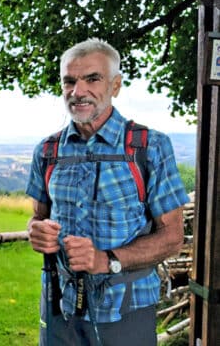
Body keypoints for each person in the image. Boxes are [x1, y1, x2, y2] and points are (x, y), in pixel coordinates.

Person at [25, 38, 190, 346]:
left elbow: (172, 238)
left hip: (126, 312)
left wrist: (107, 260)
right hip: (59, 309)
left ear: (115, 85)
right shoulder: (47, 151)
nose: (78, 92)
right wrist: (37, 231)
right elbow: (38, 215)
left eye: (92, 79)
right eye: (70, 81)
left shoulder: (149, 147)